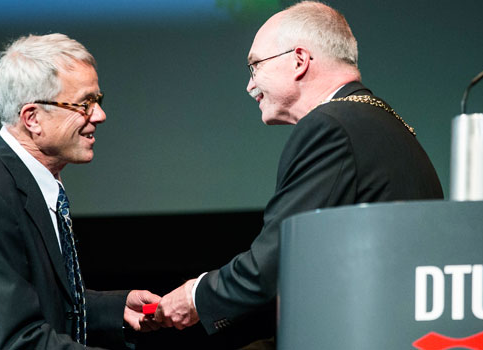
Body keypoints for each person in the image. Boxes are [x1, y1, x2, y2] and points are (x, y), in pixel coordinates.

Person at [154, 0, 444, 346]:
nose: (250, 86)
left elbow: (277, 262)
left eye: (254, 66)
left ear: (299, 61)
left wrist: (195, 297)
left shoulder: (329, 126)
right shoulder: (382, 123)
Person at [0, 33, 160, 349]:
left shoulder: (25, 181)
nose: (99, 115)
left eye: (98, 101)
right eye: (85, 103)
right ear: (33, 118)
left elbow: (40, 300)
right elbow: (17, 341)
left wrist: (114, 309)